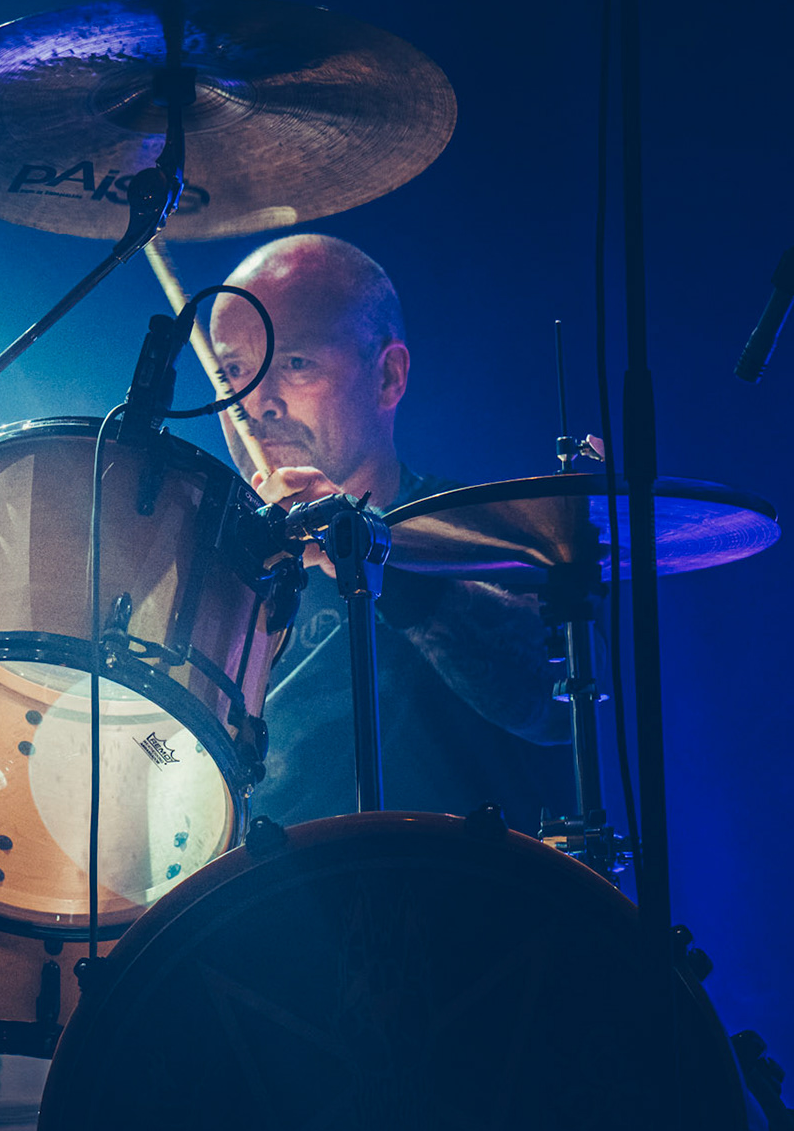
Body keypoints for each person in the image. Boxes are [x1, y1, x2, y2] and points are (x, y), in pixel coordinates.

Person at [208, 233, 573, 829]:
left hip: (470, 899)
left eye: (296, 364)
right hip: (266, 907)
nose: (257, 403)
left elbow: (555, 706)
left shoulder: (492, 534)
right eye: (234, 374)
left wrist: (369, 548)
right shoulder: (212, 571)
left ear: (388, 377)